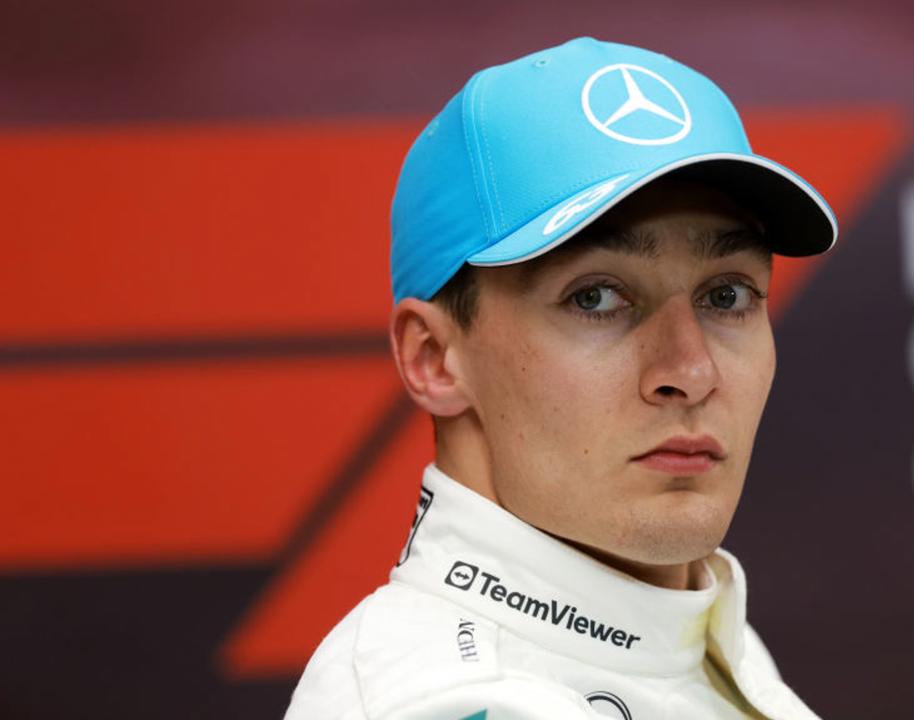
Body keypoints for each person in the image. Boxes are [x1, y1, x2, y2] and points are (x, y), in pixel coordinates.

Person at [285, 37, 837, 720]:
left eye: (726, 295)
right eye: (596, 298)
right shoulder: (450, 703)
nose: (690, 372)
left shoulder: (703, 641)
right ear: (433, 358)